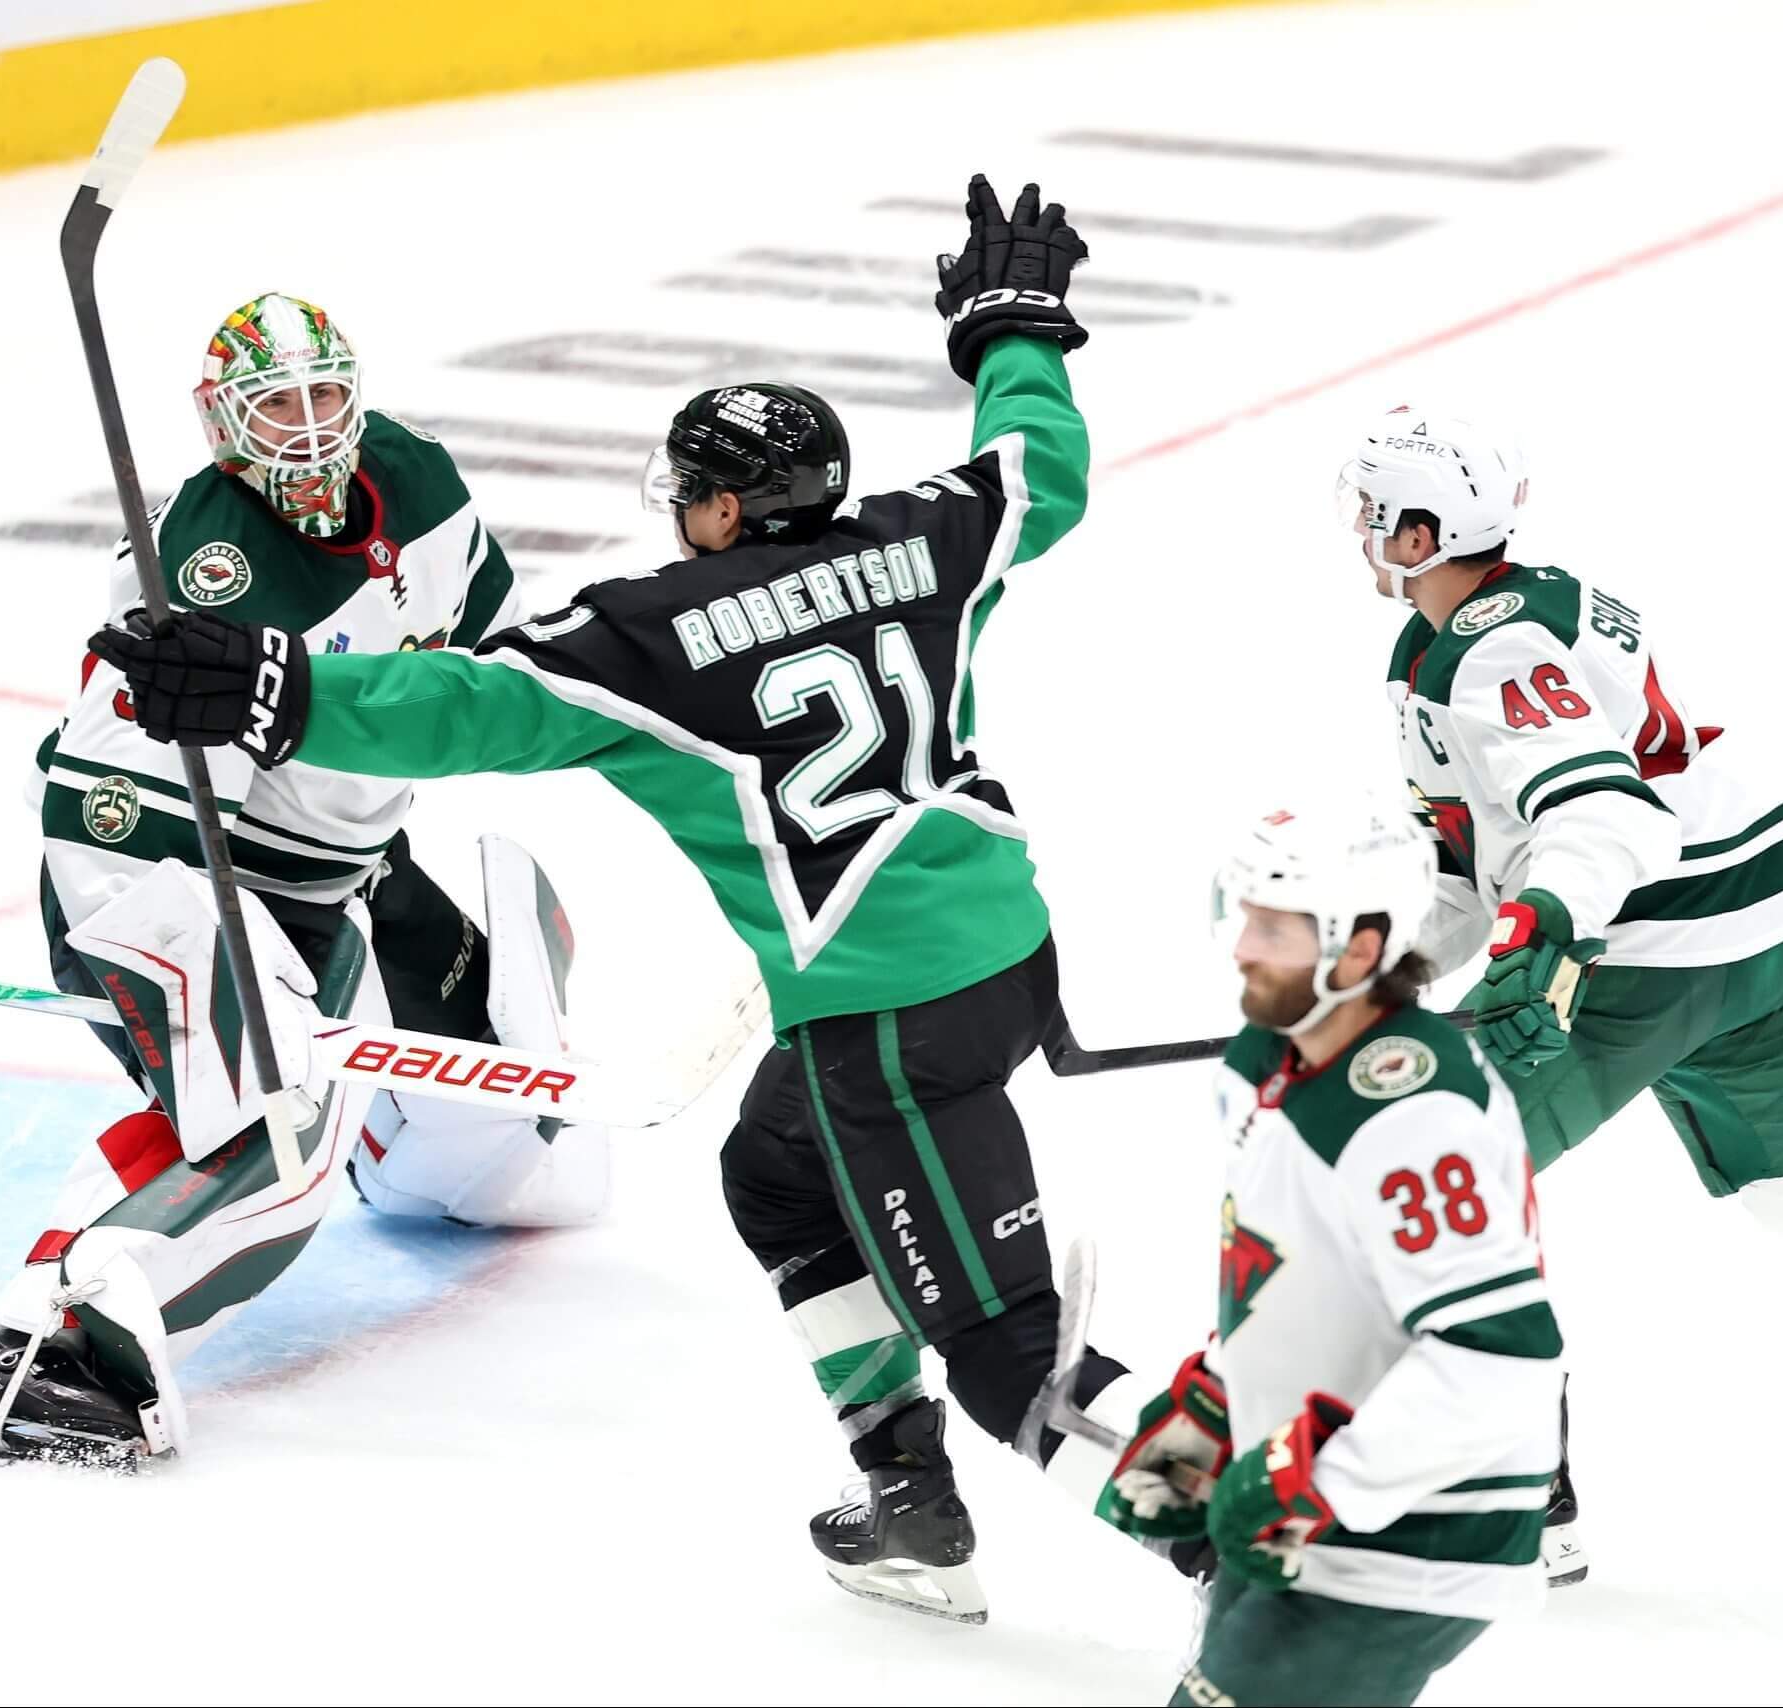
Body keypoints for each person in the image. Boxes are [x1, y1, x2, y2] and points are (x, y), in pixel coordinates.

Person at [98, 178, 1174, 1619]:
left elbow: (460, 707)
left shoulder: (650, 639)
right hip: (1003, 955)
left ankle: (1246, 1541)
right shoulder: (930, 538)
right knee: (775, 1169)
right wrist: (1012, 330)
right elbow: (1040, 465)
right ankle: (904, 1492)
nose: (678, 515)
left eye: (690, 494)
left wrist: (271, 685)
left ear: (727, 507)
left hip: (890, 1018)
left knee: (1007, 1354)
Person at [0, 292, 606, 1468]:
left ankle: (397, 1145)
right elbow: (106, 817)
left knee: (520, 1150)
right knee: (271, 1129)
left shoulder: (420, 476)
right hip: (186, 879)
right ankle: (54, 1349)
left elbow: (494, 655)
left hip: (355, 866)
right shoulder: (202, 577)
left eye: (322, 397)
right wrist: (208, 985)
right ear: (218, 425)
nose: (305, 430)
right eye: (273, 407)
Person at [1345, 407, 1783, 1572]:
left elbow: (1598, 811)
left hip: (1639, 957)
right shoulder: (1512, 608)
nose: (1354, 530)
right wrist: (1392, 979)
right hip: (1740, 933)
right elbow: (1482, 861)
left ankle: (1512, 1497)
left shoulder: (1489, 649)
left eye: (1370, 512)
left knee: (1424, 1172)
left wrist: (1545, 927)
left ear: (1419, 533)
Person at [1102, 799, 1564, 1707]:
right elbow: (1300, 1276)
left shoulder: (1412, 1115)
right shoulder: (1265, 1063)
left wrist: (1322, 1478)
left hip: (1416, 1531)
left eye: (1275, 929)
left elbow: (1503, 1358)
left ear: (1360, 951)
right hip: (1310, 1514)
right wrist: (1218, 1400)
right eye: (1246, 919)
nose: (1243, 947)